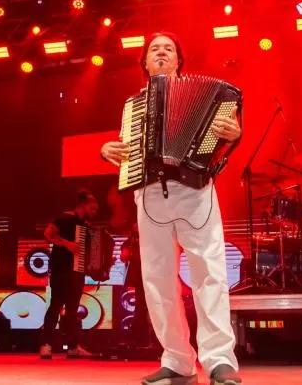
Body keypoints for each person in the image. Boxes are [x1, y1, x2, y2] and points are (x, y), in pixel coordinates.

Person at [100, 33, 243, 385]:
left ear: (178, 60)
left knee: (210, 273)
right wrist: (109, 150)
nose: (161, 53)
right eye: (154, 49)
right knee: (157, 280)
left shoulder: (211, 96)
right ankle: (177, 360)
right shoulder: (132, 106)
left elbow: (227, 136)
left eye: (169, 49)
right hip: (149, 193)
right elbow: (125, 150)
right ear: (145, 63)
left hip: (195, 189)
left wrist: (233, 132)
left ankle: (220, 361)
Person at [39, 190, 99, 360]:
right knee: (55, 307)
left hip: (77, 273)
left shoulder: (87, 228)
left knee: (73, 311)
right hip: (60, 269)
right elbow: (47, 235)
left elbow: (90, 255)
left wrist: (100, 264)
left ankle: (73, 347)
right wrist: (67, 244)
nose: (94, 213)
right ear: (83, 206)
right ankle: (46, 345)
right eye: (92, 209)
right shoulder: (64, 219)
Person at [120, 223, 153, 347]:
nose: (137, 227)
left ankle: (150, 339)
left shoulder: (151, 239)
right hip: (139, 278)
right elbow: (123, 257)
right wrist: (125, 255)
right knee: (140, 307)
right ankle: (141, 339)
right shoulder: (130, 242)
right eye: (135, 225)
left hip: (151, 276)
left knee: (148, 307)